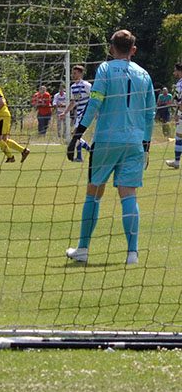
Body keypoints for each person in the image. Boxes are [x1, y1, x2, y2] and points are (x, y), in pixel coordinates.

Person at [65, 30, 155, 265]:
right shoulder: (144, 75)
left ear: (111, 48)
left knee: (93, 193)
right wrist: (146, 145)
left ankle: (83, 249)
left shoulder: (104, 69)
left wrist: (77, 134)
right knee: (129, 195)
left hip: (106, 141)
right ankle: (132, 254)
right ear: (133, 50)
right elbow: (150, 114)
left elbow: (95, 103)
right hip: (134, 142)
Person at [0, 71, 30, 164]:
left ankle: (11, 157)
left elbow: (2, 102)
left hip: (2, 115)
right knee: (4, 140)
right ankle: (23, 151)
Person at [70, 65, 92, 161]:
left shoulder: (86, 85)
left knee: (75, 134)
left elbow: (94, 98)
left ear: (80, 74)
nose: (73, 75)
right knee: (76, 135)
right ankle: (83, 155)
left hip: (85, 113)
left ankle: (88, 152)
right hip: (78, 114)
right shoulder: (73, 87)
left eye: (75, 73)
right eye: (72, 73)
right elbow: (73, 102)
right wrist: (65, 112)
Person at [166, 64, 182, 168]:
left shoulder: (180, 84)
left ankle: (176, 162)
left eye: (175, 70)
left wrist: (177, 114)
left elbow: (179, 102)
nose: (174, 73)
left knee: (179, 137)